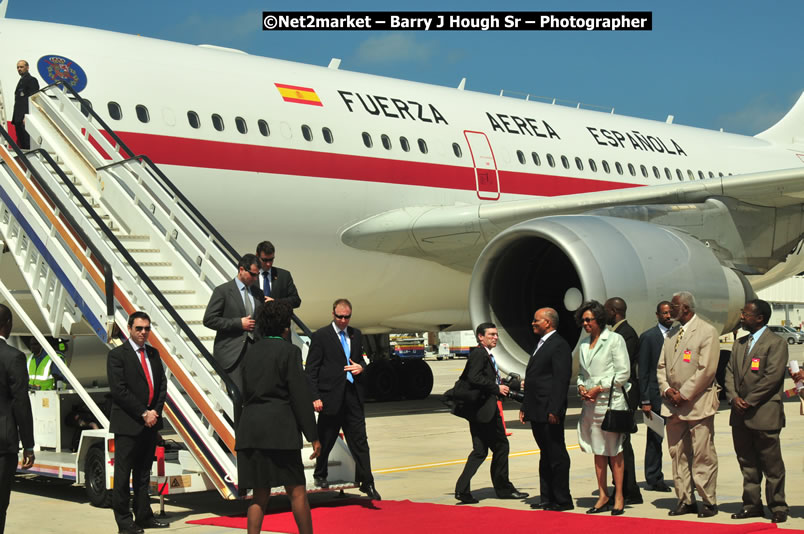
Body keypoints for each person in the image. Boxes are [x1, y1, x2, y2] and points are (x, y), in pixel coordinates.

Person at [236, 301, 321, 534]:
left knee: (259, 495)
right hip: (280, 431)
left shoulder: (249, 353)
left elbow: (242, 393)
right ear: (285, 326)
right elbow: (299, 396)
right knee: (297, 492)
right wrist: (313, 435)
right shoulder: (290, 352)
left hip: (252, 429)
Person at [305, 299, 381, 500]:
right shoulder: (321, 336)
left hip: (353, 395)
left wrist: (361, 367)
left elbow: (361, 359)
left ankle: (368, 482)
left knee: (360, 441)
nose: (343, 320)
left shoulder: (356, 334)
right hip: (330, 397)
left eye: (347, 317)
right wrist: (315, 396)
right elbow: (311, 370)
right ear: (333, 314)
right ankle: (320, 474)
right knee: (327, 438)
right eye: (340, 316)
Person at [724, 299, 789, 524]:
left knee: (772, 465)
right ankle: (751, 505)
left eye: (746, 314)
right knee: (747, 463)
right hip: (739, 414)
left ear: (760, 318)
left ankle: (778, 506)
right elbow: (729, 373)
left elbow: (772, 377)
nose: (742, 317)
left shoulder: (776, 343)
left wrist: (749, 401)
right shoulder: (739, 344)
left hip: (764, 414)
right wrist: (734, 397)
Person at [656, 291, 720, 518]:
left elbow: (706, 370)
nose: (670, 310)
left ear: (685, 308)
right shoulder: (672, 334)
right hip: (673, 405)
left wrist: (683, 394)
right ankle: (685, 499)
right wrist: (667, 389)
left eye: (674, 306)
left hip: (697, 403)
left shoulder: (706, 332)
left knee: (703, 454)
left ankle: (708, 500)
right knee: (678, 454)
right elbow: (661, 367)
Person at [107, 311, 169, 533]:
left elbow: (162, 386)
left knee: (143, 473)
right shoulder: (117, 355)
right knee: (123, 476)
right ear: (129, 329)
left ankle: (144, 515)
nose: (143, 332)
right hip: (128, 423)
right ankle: (124, 522)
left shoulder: (153, 353)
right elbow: (119, 390)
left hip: (150, 423)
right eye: (139, 328)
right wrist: (143, 413)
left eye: (147, 328)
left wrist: (155, 413)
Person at [454, 322, 528, 504]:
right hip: (485, 411)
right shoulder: (479, 354)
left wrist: (514, 385)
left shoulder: (485, 354)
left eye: (496, 335)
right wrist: (496, 388)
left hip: (480, 411)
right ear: (481, 337)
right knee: (501, 447)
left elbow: (487, 379)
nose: (495, 337)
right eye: (491, 335)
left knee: (480, 451)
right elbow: (474, 378)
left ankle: (462, 490)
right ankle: (503, 489)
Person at [575, 300, 630, 516]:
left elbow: (623, 373)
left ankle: (619, 495)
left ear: (599, 319)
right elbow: (582, 373)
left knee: (614, 450)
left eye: (588, 320)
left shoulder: (614, 340)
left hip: (610, 402)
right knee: (597, 450)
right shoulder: (583, 344)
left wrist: (599, 387)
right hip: (590, 404)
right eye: (583, 320)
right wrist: (581, 386)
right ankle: (603, 494)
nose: (585, 324)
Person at [519, 308, 573, 511]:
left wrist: (555, 410)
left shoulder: (559, 345)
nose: (533, 323)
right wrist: (525, 406)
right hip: (536, 408)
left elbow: (560, 380)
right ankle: (547, 497)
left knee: (556, 454)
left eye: (536, 320)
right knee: (545, 454)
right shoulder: (541, 344)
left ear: (548, 323)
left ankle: (562, 499)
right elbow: (534, 379)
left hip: (549, 410)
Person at [203, 253, 264, 399]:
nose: (255, 278)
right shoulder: (223, 291)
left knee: (254, 395)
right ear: (241, 269)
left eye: (257, 275)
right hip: (232, 353)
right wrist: (238, 323)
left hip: (254, 352)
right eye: (252, 274)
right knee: (237, 395)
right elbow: (209, 319)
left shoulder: (258, 294)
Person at [603, 297, 643, 505]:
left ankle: (629, 489)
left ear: (613, 311)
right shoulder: (618, 332)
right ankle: (624, 487)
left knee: (621, 444)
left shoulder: (625, 334)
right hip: (618, 395)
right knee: (617, 444)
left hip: (625, 396)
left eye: (606, 310)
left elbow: (620, 366)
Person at [0, 304, 34, 534]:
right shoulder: (14, 357)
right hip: (3, 443)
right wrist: (28, 445)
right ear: (8, 325)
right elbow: (21, 403)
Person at [637, 300, 674, 492]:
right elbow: (643, 371)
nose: (668, 316)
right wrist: (645, 400)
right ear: (658, 315)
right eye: (665, 313)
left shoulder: (679, 335)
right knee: (654, 439)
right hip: (655, 397)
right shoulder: (648, 337)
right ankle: (654, 477)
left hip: (676, 397)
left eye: (670, 312)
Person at [256, 241, 301, 309]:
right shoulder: (250, 276)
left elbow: (296, 300)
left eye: (271, 259)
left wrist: (276, 302)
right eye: (265, 260)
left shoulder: (284, 276)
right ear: (257, 256)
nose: (268, 264)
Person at [12, 60, 39, 150]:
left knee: (27, 143)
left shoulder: (31, 80)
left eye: (21, 67)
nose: (19, 69)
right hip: (18, 118)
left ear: (27, 67)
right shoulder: (21, 81)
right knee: (22, 143)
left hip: (25, 118)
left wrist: (27, 115)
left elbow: (33, 98)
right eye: (18, 67)